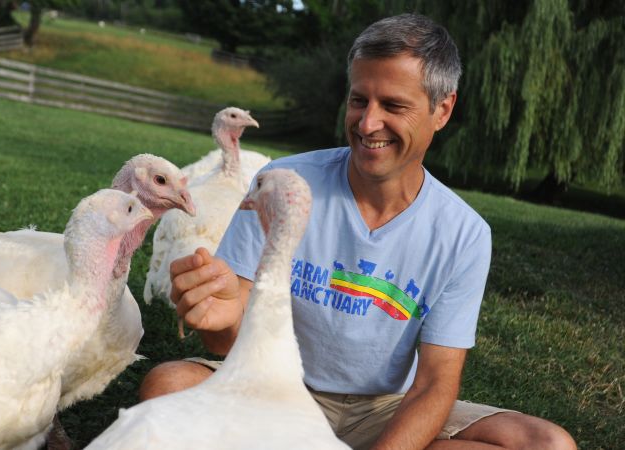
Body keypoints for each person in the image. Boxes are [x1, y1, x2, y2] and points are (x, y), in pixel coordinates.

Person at [139, 13, 577, 450]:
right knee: (169, 386)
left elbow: (434, 385)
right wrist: (220, 317)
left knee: (547, 444)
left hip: (387, 408)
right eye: (358, 100)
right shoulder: (283, 184)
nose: (368, 124)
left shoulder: (463, 233)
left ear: (441, 110)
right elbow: (228, 341)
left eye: (393, 105)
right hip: (273, 386)